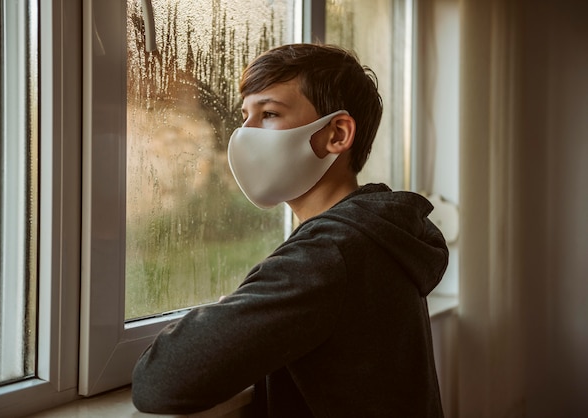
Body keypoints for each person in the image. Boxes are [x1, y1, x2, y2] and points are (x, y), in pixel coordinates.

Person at [132, 43, 448, 417]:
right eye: (244, 115)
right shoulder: (372, 234)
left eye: (268, 113)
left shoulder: (330, 252)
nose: (244, 134)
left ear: (336, 134)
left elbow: (161, 379)